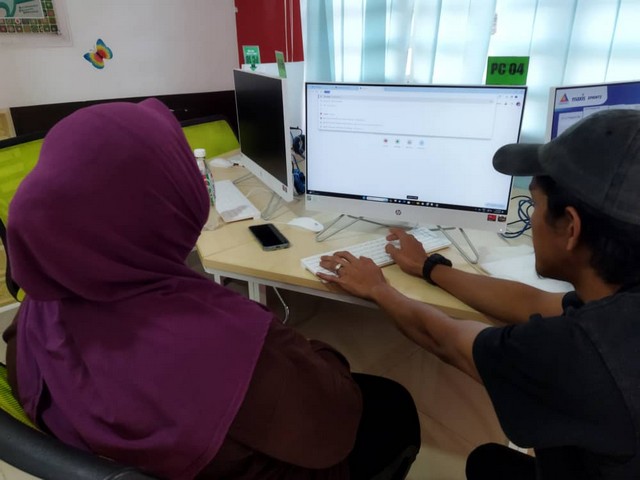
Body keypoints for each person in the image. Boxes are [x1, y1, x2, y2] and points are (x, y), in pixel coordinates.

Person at [1, 98, 420, 480]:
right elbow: (333, 424)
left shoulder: (39, 307)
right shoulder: (228, 343)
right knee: (392, 404)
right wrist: (314, 351)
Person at [318, 108, 640, 479]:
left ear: (570, 227)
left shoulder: (572, 353)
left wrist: (378, 289)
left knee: (487, 463)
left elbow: (447, 340)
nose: (530, 219)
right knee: (490, 462)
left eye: (534, 205)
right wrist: (429, 268)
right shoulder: (616, 304)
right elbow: (534, 303)